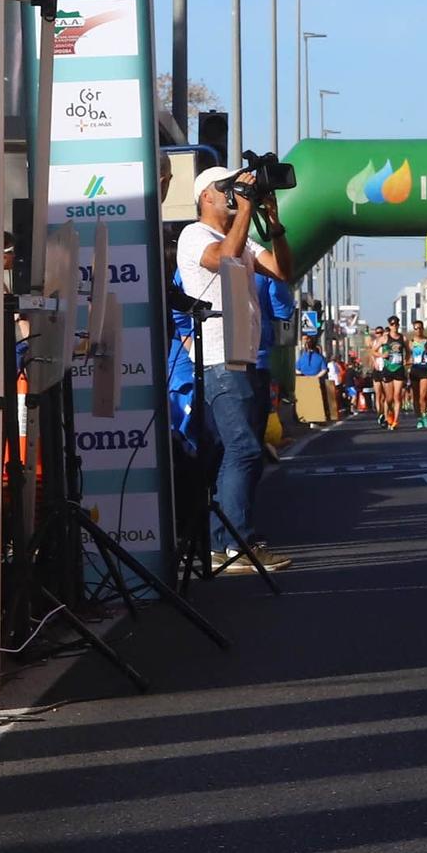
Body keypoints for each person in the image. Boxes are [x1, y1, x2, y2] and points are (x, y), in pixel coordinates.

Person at [175, 165, 295, 572]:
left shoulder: (242, 240)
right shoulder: (196, 236)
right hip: (217, 358)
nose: (232, 195)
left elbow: (283, 271)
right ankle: (238, 545)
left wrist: (274, 224)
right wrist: (245, 209)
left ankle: (220, 544)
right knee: (243, 449)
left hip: (244, 356)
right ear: (205, 197)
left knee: (232, 452)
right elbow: (223, 260)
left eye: (236, 188)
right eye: (224, 189)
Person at [407, 322, 427, 428]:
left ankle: (424, 416)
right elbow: (407, 357)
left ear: (423, 329)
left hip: (425, 370)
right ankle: (419, 418)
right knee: (416, 397)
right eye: (416, 328)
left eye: (420, 328)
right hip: (414, 370)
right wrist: (408, 361)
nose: (418, 330)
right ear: (414, 330)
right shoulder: (411, 343)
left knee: (423, 396)